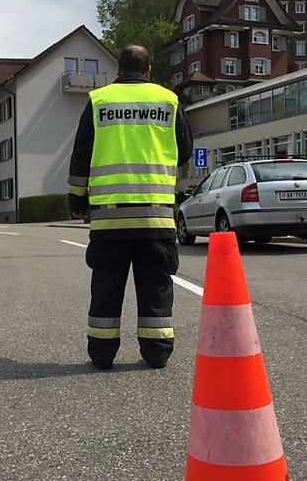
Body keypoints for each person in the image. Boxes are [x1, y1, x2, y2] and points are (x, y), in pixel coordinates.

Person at [67, 44, 193, 370]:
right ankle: (156, 353)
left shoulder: (99, 101)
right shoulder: (169, 101)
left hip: (110, 219)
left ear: (119, 70)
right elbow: (184, 152)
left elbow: (81, 158)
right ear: (149, 70)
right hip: (157, 216)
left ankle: (102, 354)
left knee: (107, 286)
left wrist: (77, 201)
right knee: (156, 285)